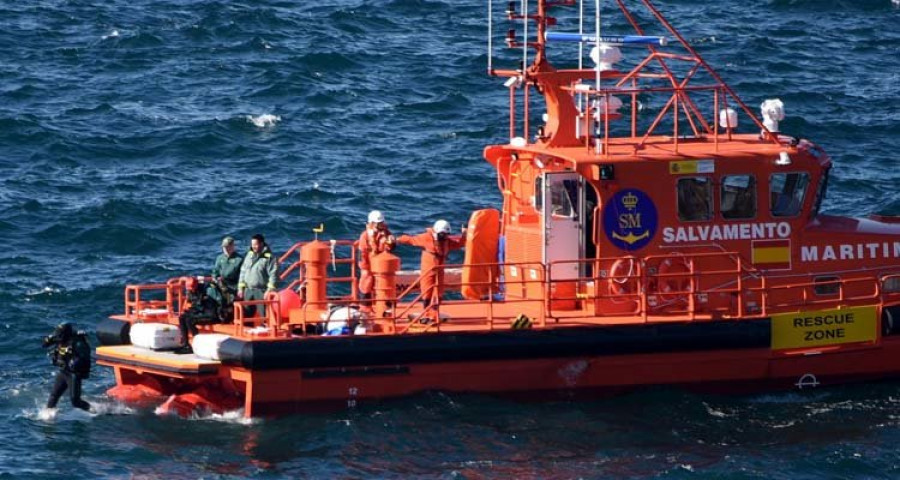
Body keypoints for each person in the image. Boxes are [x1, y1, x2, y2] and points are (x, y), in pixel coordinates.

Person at [397, 220, 465, 318]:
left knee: (438, 292)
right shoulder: (426, 238)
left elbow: (459, 244)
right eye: (443, 235)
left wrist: (465, 234)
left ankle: (434, 312)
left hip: (439, 269)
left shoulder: (446, 241)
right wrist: (398, 239)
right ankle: (427, 312)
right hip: (428, 269)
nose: (445, 237)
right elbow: (411, 240)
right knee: (427, 291)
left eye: (446, 235)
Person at [42, 323, 91, 412]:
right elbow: (44, 345)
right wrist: (49, 338)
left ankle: (93, 410)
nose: (59, 338)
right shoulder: (59, 337)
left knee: (75, 401)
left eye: (60, 335)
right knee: (54, 395)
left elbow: (84, 356)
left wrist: (74, 362)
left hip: (73, 374)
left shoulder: (77, 342)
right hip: (63, 371)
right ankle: (48, 413)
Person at [176, 276, 224, 354]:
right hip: (201, 312)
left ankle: (197, 343)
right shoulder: (191, 292)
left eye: (192, 289)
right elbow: (195, 305)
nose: (191, 291)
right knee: (182, 317)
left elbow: (218, 303)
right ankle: (186, 344)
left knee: (190, 320)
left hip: (212, 315)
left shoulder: (208, 290)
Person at [357, 210, 396, 305]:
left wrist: (392, 242)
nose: (381, 225)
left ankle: (386, 306)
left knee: (386, 284)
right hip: (369, 264)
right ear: (372, 223)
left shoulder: (386, 233)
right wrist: (365, 268)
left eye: (382, 223)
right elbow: (362, 253)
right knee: (366, 282)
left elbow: (390, 248)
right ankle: (365, 306)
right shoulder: (365, 236)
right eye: (379, 224)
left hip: (382, 265)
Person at [237, 233, 279, 318]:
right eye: (252, 245)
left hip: (261, 291)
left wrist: (269, 290)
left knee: (263, 315)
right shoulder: (249, 255)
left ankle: (264, 328)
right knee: (246, 316)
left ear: (261, 244)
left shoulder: (269, 258)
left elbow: (273, 274)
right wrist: (240, 288)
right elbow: (243, 271)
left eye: (255, 244)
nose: (253, 247)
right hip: (248, 290)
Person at [210, 236, 243, 308]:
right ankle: (219, 303)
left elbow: (242, 276)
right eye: (224, 247)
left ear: (233, 247)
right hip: (221, 283)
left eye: (228, 247)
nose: (226, 249)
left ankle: (226, 303)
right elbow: (215, 271)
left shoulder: (239, 259)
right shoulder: (220, 258)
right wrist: (215, 278)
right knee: (208, 288)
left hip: (233, 285)